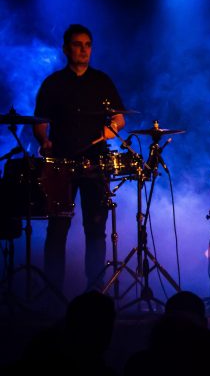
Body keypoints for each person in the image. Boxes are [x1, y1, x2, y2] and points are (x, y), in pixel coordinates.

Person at [33, 23, 126, 292]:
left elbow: (119, 118)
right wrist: (44, 140)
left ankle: (95, 290)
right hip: (61, 164)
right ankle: (52, 292)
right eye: (77, 45)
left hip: (95, 163)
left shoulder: (102, 81)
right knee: (57, 229)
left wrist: (113, 126)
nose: (83, 50)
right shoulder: (53, 83)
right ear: (66, 49)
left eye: (87, 45)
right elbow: (39, 122)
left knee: (95, 230)